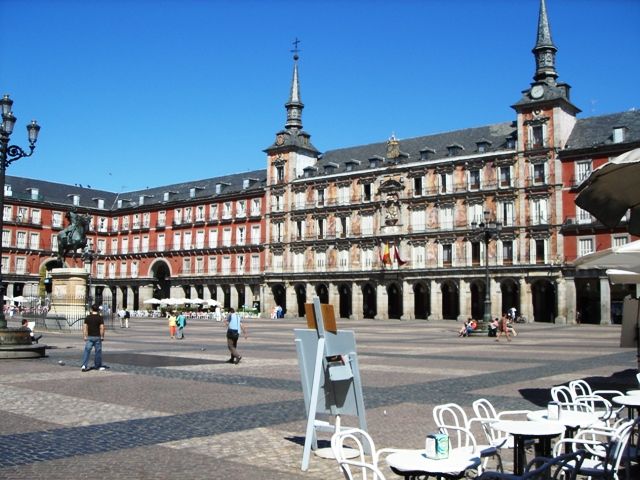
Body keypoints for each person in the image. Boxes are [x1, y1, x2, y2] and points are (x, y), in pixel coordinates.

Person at [81, 304, 106, 372]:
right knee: (98, 352)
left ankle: (84, 365)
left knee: (87, 351)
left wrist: (85, 336)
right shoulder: (100, 318)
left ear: (91, 309)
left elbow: (85, 327)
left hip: (90, 336)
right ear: (98, 310)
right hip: (97, 337)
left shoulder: (88, 317)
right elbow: (102, 328)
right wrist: (102, 336)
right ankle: (97, 366)